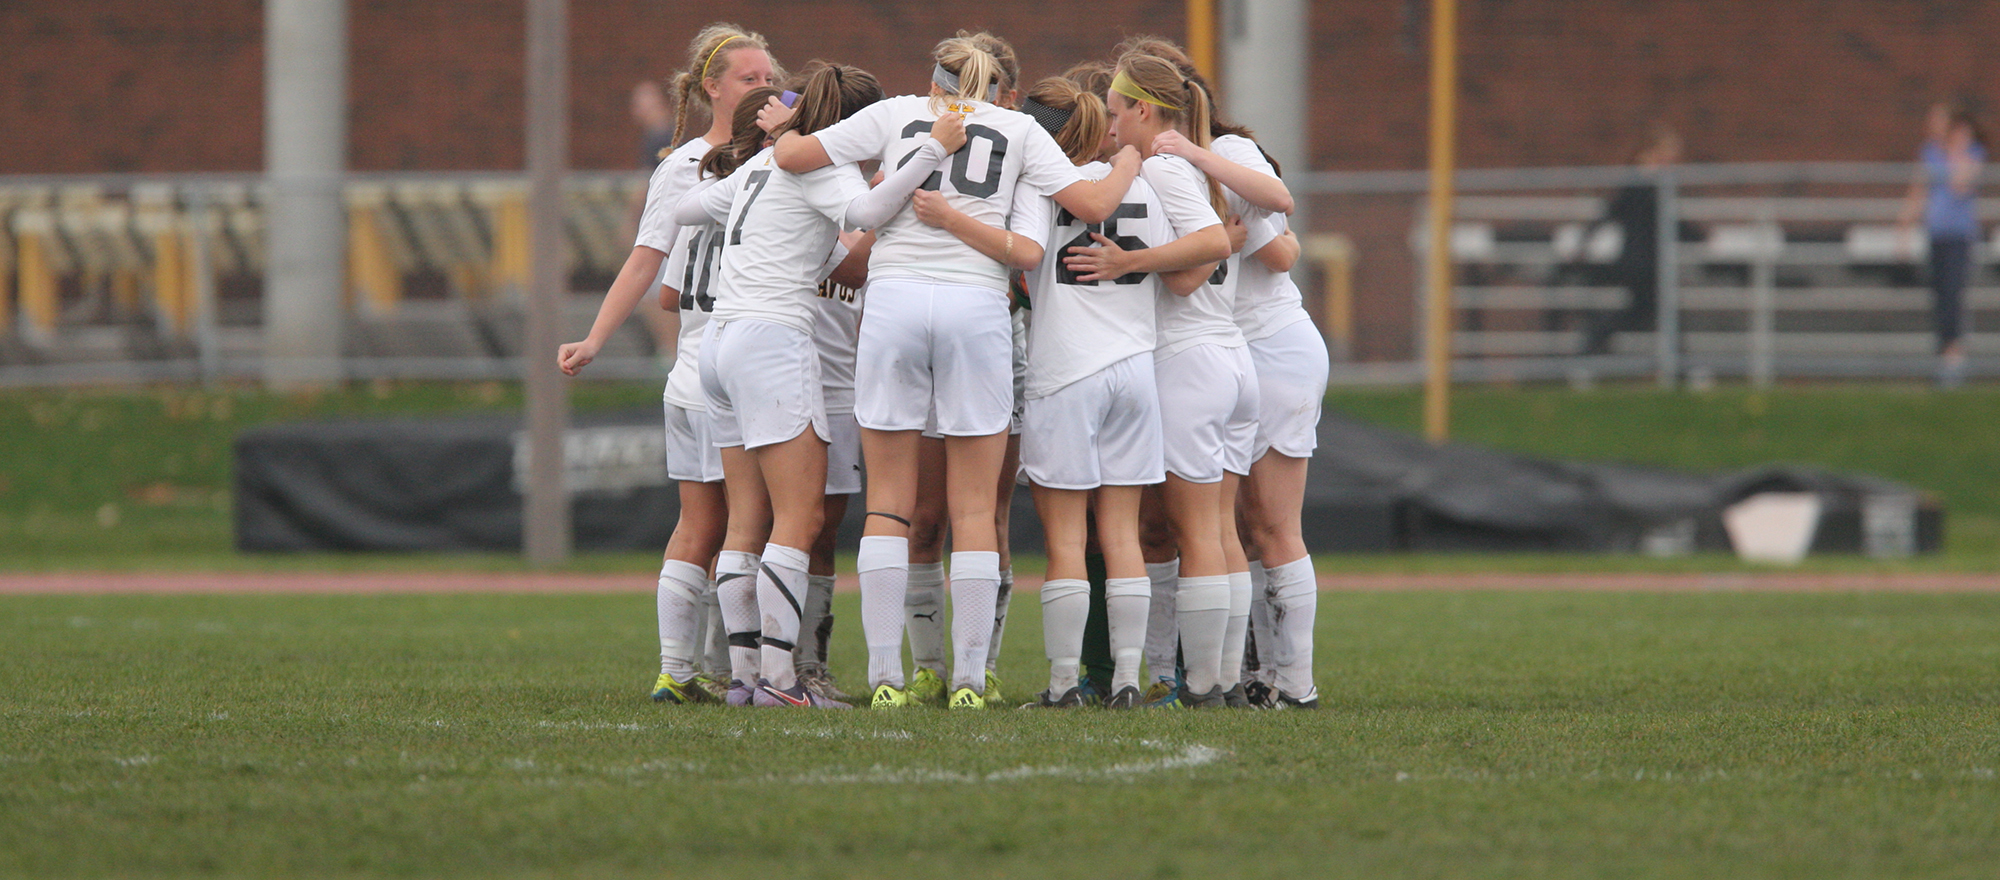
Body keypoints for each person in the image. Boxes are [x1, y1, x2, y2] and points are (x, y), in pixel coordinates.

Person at [771, 30, 1142, 709]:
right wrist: (1132, 158)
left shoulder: (896, 113)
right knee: (975, 510)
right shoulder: (1019, 130)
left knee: (890, 501)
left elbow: (792, 155)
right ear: (998, 85)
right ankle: (971, 679)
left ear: (936, 78)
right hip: (977, 304)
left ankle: (886, 677)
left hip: (894, 300)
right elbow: (1086, 210)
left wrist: (807, 132)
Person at [675, 61, 966, 708]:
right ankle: (780, 682)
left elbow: (690, 207)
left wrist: (754, 159)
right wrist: (928, 153)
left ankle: (746, 680)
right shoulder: (813, 164)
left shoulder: (759, 166)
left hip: (719, 344)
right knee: (800, 517)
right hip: (773, 341)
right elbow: (862, 208)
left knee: (745, 521)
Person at [556, 23, 776, 705]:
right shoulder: (689, 164)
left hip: (714, 363)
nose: (765, 88)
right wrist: (594, 337)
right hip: (721, 364)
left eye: (771, 77)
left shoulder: (778, 153)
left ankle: (689, 670)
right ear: (710, 87)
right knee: (733, 523)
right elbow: (647, 260)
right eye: (749, 78)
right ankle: (714, 670)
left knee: (717, 523)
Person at [1001, 74, 1221, 708]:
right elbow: (1203, 247)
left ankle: (1066, 682)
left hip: (1066, 371)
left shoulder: (1039, 183)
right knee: (1122, 533)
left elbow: (1020, 266)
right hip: (1135, 369)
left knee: (1069, 540)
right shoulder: (1151, 180)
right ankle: (1130, 677)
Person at [1066, 44, 1241, 708]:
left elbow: (1209, 250)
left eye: (1116, 112)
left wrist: (1126, 265)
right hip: (1219, 357)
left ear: (1143, 108)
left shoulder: (1164, 165)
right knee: (1212, 531)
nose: (1110, 126)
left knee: (1196, 533)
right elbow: (1198, 263)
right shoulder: (1176, 165)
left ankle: (1201, 683)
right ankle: (1215, 677)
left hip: (1190, 361)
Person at [1899, 103, 1986, 388]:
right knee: (1939, 295)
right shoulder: (1929, 153)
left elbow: (1961, 185)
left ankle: (1954, 359)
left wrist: (1955, 151)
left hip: (1959, 236)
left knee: (1953, 294)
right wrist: (1904, 228)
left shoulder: (1972, 153)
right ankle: (1943, 356)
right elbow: (1918, 189)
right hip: (1936, 234)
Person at [1581, 125, 1681, 356]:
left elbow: (1610, 212)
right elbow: (1614, 212)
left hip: (1643, 260)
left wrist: (1585, 239)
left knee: (1646, 311)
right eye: (1670, 153)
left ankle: (1592, 345)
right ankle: (1683, 367)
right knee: (1657, 311)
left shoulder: (1648, 182)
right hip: (1641, 262)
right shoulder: (1643, 183)